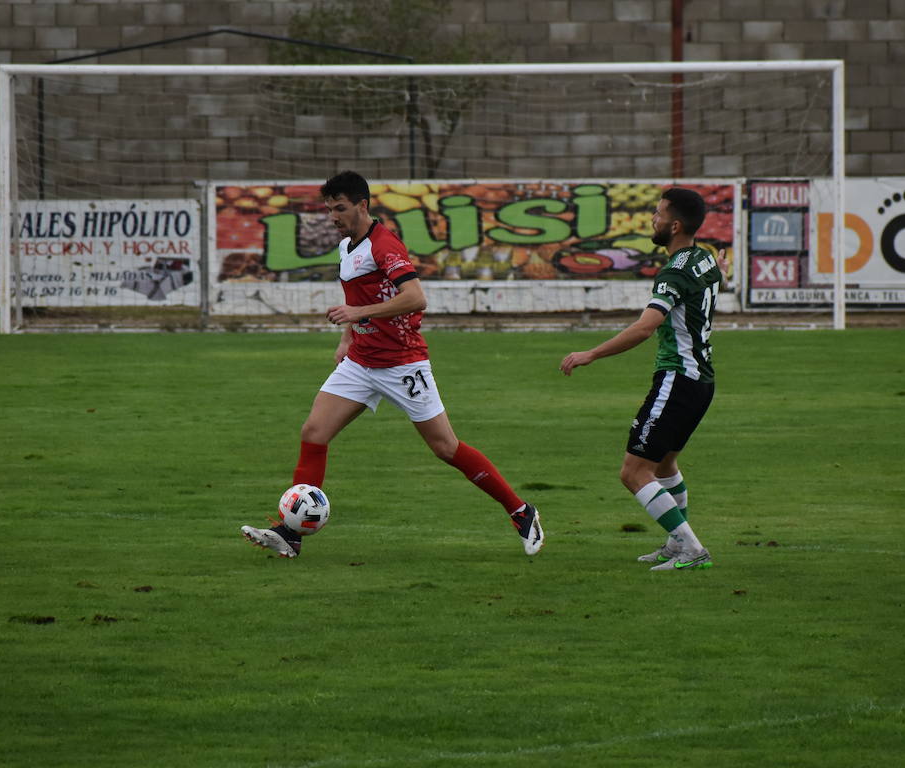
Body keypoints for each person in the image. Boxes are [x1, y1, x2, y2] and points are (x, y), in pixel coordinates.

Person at [242, 170, 543, 559]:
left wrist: (358, 312)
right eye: (329, 209)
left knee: (446, 448)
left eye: (340, 208)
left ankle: (520, 511)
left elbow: (416, 298)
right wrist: (347, 336)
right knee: (314, 432)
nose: (333, 217)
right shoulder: (347, 245)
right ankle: (290, 534)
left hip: (403, 364)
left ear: (362, 205)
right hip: (361, 362)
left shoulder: (385, 245)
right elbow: (354, 295)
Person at [559, 187, 729, 571]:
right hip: (702, 382)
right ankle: (675, 542)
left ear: (674, 225)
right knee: (664, 465)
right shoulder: (704, 259)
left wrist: (591, 354)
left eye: (657, 213)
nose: (651, 219)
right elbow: (717, 273)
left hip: (678, 379)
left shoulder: (673, 272)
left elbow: (644, 328)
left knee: (634, 472)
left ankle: (692, 549)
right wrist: (722, 270)